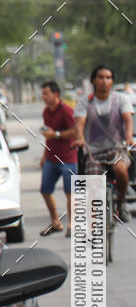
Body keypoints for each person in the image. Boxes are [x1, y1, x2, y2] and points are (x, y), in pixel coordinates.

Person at [73, 64, 135, 222]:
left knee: (121, 169)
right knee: (92, 185)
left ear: (112, 81)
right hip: (93, 152)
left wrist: (129, 137)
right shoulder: (85, 102)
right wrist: (79, 138)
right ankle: (95, 227)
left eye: (108, 78)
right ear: (94, 80)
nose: (104, 81)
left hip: (117, 149)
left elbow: (128, 119)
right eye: (100, 77)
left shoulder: (120, 99)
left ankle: (121, 203)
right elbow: (80, 123)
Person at [40, 80, 77, 237]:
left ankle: (72, 224)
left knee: (70, 193)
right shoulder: (46, 112)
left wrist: (56, 134)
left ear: (56, 94)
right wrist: (44, 155)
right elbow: (48, 135)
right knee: (45, 190)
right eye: (43, 93)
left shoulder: (66, 111)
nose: (43, 96)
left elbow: (75, 131)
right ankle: (55, 221)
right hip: (51, 158)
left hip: (68, 157)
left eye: (46, 93)